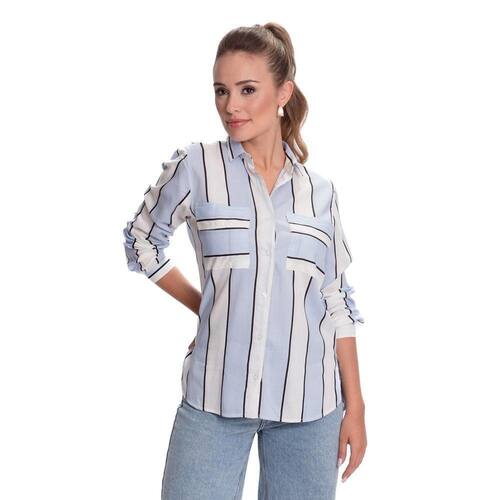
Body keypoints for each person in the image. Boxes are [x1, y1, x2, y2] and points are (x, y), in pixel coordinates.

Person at [122, 22, 367, 500]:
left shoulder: (319, 192)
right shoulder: (197, 166)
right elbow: (141, 240)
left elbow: (337, 300)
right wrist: (205, 306)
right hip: (214, 398)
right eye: (221, 90)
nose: (230, 105)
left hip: (309, 407)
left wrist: (354, 406)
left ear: (283, 93)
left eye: (247, 90)